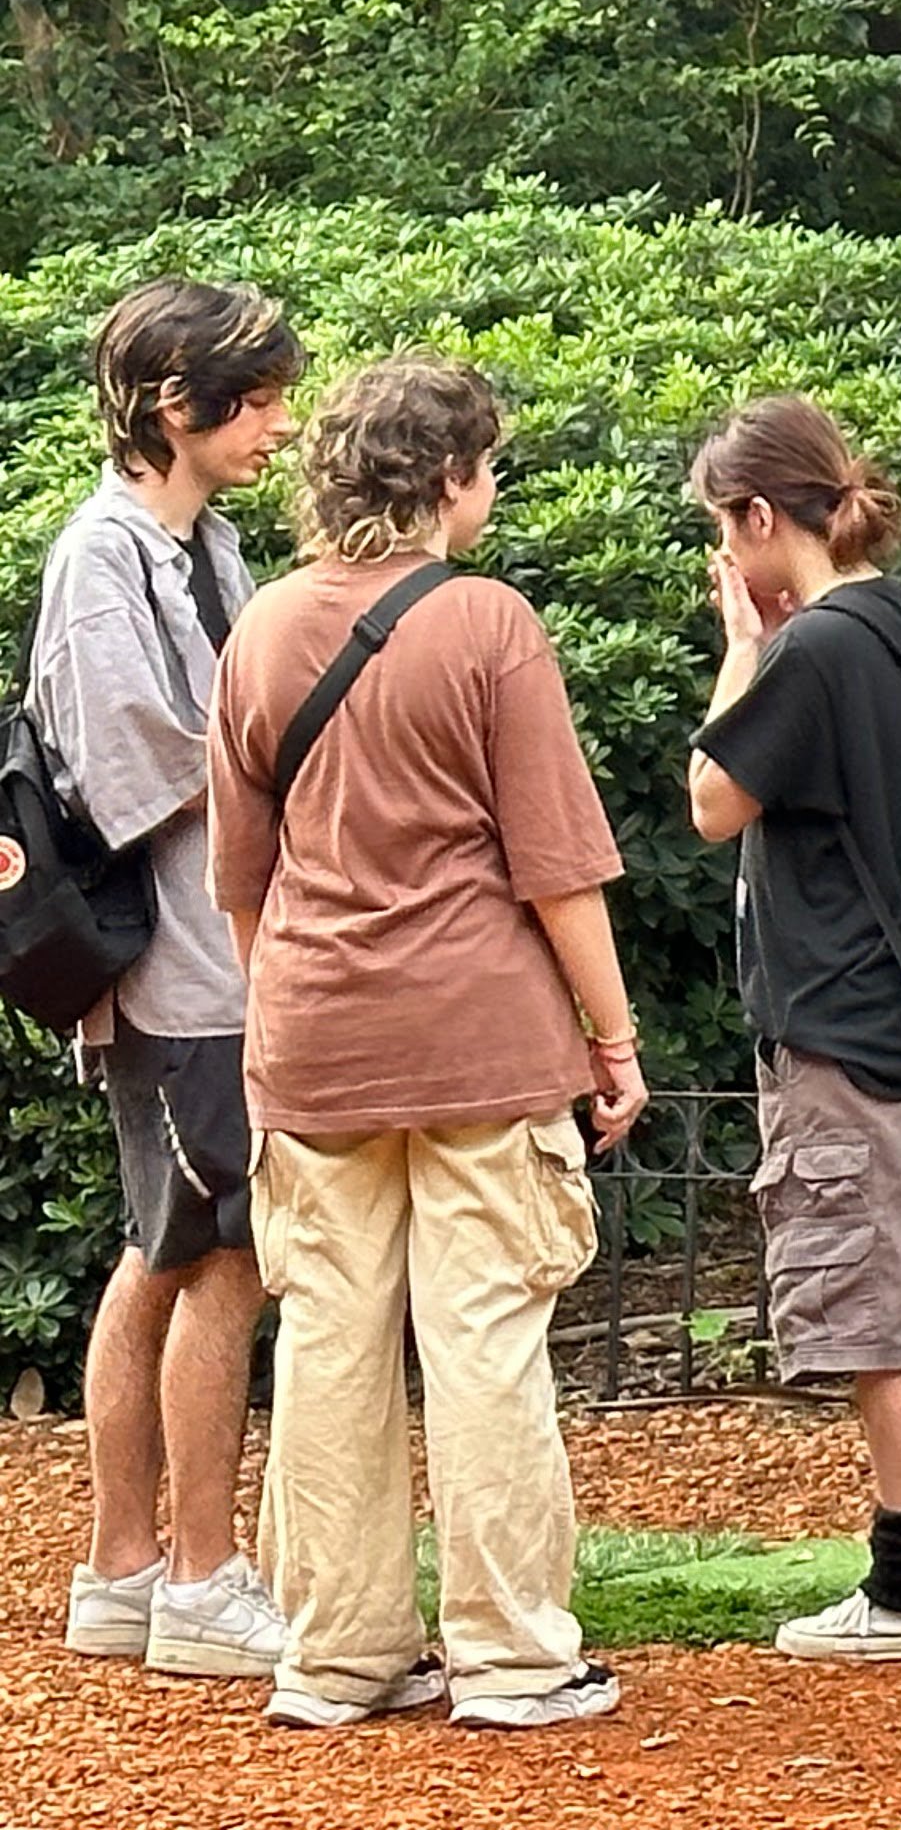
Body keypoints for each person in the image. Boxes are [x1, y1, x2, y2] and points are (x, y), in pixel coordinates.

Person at [209, 353, 644, 1732]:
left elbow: (240, 878)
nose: (492, 486)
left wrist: (288, 1012)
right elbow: (558, 868)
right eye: (488, 464)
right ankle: (513, 1659)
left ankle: (336, 1658)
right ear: (449, 477)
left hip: (313, 1035)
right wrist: (615, 1037)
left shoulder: (262, 626)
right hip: (480, 1038)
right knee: (485, 1341)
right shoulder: (489, 622)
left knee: (329, 1347)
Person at [685, 394, 901, 1663]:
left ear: (763, 515)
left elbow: (713, 799)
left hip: (855, 1023)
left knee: (882, 1312)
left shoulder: (813, 648)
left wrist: (741, 646)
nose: (725, 553)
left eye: (726, 527)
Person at [47, 281, 303, 1680]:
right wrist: (293, 755)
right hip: (181, 972)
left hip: (218, 963)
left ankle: (125, 1570)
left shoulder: (203, 544)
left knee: (169, 1250)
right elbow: (127, 770)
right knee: (221, 1260)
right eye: (254, 400)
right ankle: (196, 1579)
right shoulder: (102, 557)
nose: (279, 425)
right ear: (171, 403)